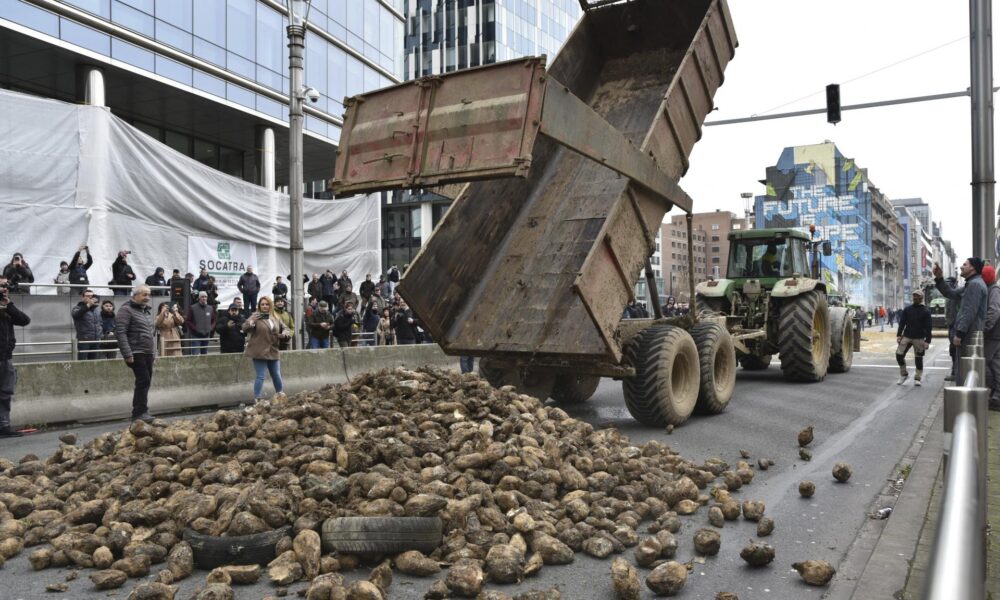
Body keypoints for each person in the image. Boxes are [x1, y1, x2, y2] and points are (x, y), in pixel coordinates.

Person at [115, 285, 156, 422]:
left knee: (146, 381)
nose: (147, 298)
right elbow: (121, 333)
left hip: (147, 353)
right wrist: (127, 353)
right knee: (143, 380)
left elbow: (149, 334)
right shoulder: (126, 310)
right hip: (136, 352)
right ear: (135, 295)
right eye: (144, 295)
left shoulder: (146, 312)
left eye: (148, 295)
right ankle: (139, 413)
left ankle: (141, 411)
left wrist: (153, 352)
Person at [935, 258, 988, 358]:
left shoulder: (975, 284)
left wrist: (959, 334)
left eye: (964, 264)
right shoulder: (971, 284)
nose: (961, 267)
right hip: (969, 334)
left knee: (964, 368)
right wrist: (939, 278)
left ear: (972, 268)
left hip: (968, 336)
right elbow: (951, 293)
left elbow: (969, 311)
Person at [242, 296, 289, 402]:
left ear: (270, 305)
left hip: (273, 350)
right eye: (262, 304)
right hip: (259, 350)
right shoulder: (255, 316)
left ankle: (280, 395)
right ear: (259, 306)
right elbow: (245, 328)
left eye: (267, 304)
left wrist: (284, 334)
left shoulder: (275, 317)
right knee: (261, 376)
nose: (264, 306)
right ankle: (257, 398)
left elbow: (286, 327)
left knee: (276, 374)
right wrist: (252, 321)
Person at [0, 279, 29, 437]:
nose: (4, 288)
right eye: (1, 285)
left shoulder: (7, 307)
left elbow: (25, 320)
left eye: (6, 285)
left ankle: (4, 426)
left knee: (5, 393)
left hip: (6, 358)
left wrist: (9, 305)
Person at [895, 291, 932, 386]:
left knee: (918, 359)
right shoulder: (907, 309)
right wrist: (899, 335)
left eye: (917, 296)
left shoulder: (926, 311)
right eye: (914, 296)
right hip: (907, 336)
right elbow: (902, 323)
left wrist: (927, 341)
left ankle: (918, 378)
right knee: (899, 354)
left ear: (921, 298)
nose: (915, 298)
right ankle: (904, 374)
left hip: (919, 338)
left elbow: (929, 327)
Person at [983, 266, 1000, 410]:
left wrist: (985, 328)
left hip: (993, 335)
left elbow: (994, 311)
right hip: (995, 334)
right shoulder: (993, 290)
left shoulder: (993, 291)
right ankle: (996, 397)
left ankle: (995, 394)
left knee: (984, 363)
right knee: (995, 365)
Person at [71, 288, 103, 360]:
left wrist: (100, 334)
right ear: (82, 297)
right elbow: (76, 315)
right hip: (84, 339)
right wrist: (88, 305)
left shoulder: (96, 309)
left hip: (96, 339)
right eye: (87, 296)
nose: (90, 298)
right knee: (82, 361)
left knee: (94, 361)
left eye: (91, 296)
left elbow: (100, 323)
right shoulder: (77, 308)